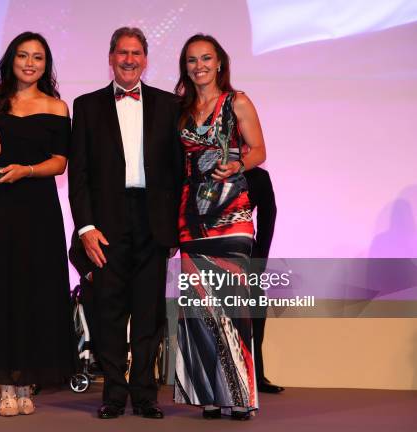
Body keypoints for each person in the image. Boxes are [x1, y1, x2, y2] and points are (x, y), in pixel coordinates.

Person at [68, 27, 183, 419]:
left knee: (148, 315)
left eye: (136, 53)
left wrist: (176, 227)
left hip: (153, 223)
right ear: (111, 57)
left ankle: (146, 395)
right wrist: (85, 228)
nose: (129, 59)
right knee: (109, 313)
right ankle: (114, 395)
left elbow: (177, 173)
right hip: (106, 224)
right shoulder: (85, 106)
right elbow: (78, 175)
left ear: (146, 59)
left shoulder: (169, 105)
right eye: (122, 52)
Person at [0, 31, 76, 417]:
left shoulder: (57, 107)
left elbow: (60, 162)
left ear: (46, 64)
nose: (30, 63)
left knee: (35, 292)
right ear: (11, 59)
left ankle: (27, 383)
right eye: (23, 55)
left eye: (38, 58)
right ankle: (6, 387)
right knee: (0, 291)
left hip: (38, 209)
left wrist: (26, 170)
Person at [173, 34, 266, 420]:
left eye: (206, 58)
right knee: (198, 306)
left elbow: (259, 150)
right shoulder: (178, 110)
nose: (200, 66)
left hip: (232, 214)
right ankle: (208, 394)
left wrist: (237, 164)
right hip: (191, 217)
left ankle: (240, 395)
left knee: (232, 304)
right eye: (192, 60)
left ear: (220, 63)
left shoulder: (237, 101)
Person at [245, 167, 285, 394]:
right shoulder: (209, 167)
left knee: (256, 313)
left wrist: (260, 256)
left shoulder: (258, 176)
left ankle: (257, 374)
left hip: (248, 254)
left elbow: (268, 215)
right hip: (212, 251)